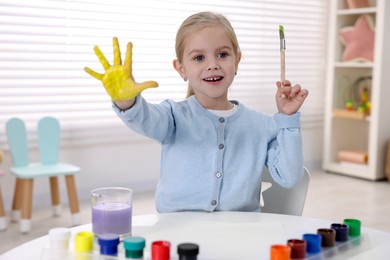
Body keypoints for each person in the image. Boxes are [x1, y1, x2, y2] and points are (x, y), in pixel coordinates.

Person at [84, 11, 309, 213]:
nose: (212, 65)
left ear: (237, 60)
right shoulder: (173, 116)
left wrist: (288, 120)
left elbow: (289, 177)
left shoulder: (262, 125)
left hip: (240, 233)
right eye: (199, 58)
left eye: (222, 54)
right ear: (181, 68)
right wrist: (127, 101)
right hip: (177, 232)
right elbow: (144, 118)